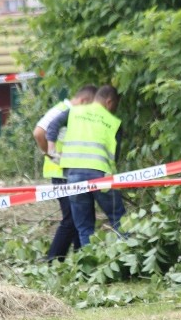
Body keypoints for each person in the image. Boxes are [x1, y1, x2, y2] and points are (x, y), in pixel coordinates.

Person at [45, 84, 125, 247]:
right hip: (101, 176)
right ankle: (127, 257)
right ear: (109, 102)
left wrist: (52, 151)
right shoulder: (114, 122)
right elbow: (115, 156)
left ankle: (89, 266)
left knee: (84, 227)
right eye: (115, 106)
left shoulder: (74, 112)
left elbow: (52, 127)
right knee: (119, 219)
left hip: (73, 176)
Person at [33, 84, 97, 261]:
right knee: (70, 219)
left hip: (72, 171)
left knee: (79, 218)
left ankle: (79, 258)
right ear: (84, 101)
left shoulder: (71, 112)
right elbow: (39, 133)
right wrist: (50, 154)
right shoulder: (61, 110)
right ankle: (53, 259)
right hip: (60, 172)